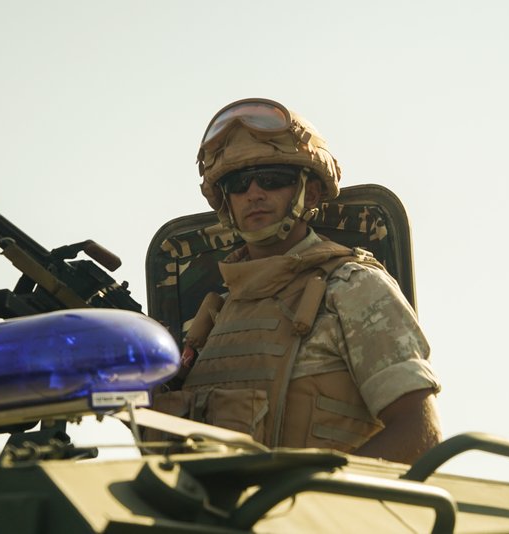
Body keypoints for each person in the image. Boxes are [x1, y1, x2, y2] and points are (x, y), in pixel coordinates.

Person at [154, 98, 441, 464]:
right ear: (226, 201)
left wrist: (309, 500)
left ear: (312, 191)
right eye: (239, 184)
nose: (254, 194)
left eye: (274, 179)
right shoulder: (213, 318)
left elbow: (420, 434)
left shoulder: (353, 287)